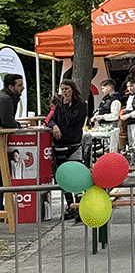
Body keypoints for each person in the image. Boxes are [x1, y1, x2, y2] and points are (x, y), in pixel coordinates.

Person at [49, 79, 88, 221]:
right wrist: (54, 126)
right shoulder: (59, 106)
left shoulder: (80, 105)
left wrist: (66, 104)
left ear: (73, 89)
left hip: (73, 144)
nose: (64, 92)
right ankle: (70, 205)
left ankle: (80, 205)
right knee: (63, 177)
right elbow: (51, 119)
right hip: (59, 144)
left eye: (66, 89)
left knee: (75, 176)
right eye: (62, 89)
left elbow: (71, 119)